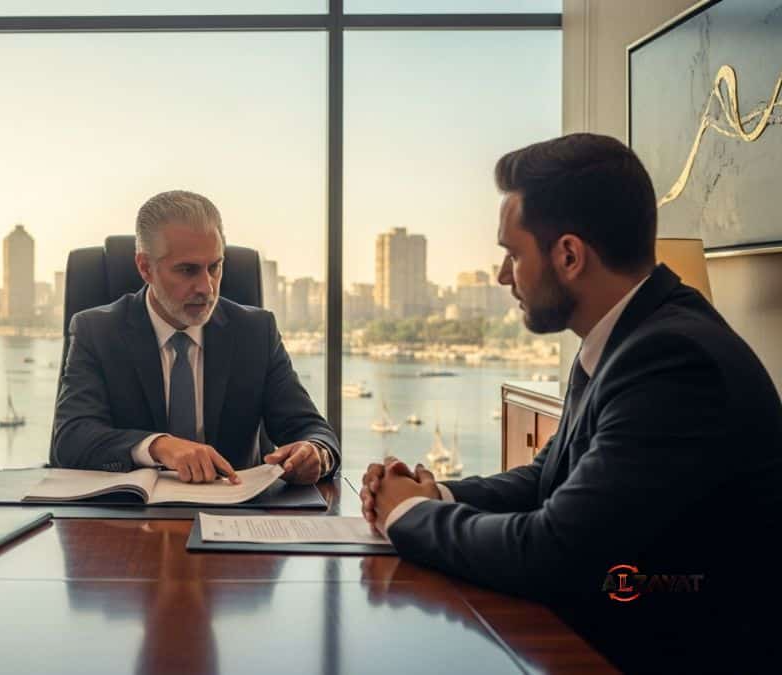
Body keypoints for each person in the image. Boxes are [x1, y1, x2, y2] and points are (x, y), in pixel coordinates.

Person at [359, 133, 782, 673]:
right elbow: (547, 479)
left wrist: (408, 514)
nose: (503, 276)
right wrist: (435, 491)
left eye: (512, 254)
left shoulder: (673, 362)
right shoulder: (627, 336)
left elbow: (554, 552)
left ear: (569, 255)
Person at [52, 190, 339, 484]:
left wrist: (316, 453)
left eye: (214, 267)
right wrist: (158, 446)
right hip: (130, 517)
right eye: (188, 270)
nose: (207, 287)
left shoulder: (256, 332)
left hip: (235, 514)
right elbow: (70, 441)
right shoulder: (97, 332)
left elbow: (312, 430)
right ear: (145, 267)